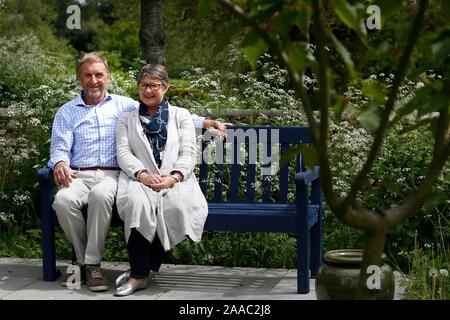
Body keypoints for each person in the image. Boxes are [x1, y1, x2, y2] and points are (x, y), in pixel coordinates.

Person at [48, 52, 224, 292]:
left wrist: (205, 122)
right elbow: (59, 147)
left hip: (111, 175)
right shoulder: (67, 111)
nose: (94, 81)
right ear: (80, 78)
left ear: (107, 77)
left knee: (101, 197)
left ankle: (95, 266)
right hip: (79, 174)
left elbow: (165, 110)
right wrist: (59, 162)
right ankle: (86, 261)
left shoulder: (124, 106)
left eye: (99, 75)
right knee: (62, 201)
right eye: (87, 75)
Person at [113, 64, 208, 296]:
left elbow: (188, 153)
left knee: (177, 206)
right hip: (138, 179)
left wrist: (174, 177)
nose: (148, 90)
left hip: (177, 179)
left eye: (154, 86)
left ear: (165, 87)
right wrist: (143, 175)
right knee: (138, 204)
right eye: (143, 85)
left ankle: (144, 270)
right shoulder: (127, 119)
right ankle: (138, 276)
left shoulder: (181, 115)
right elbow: (124, 153)